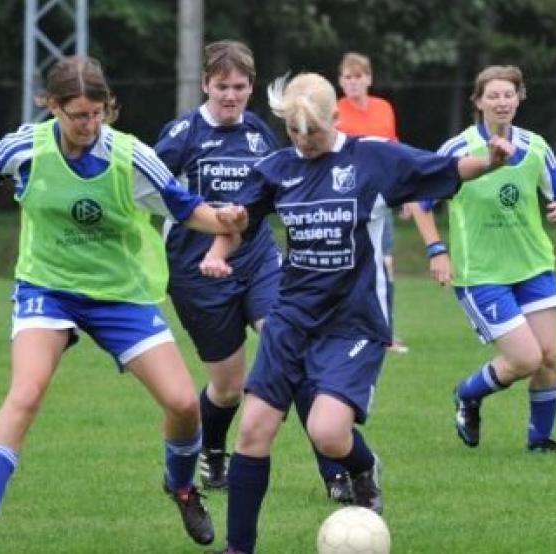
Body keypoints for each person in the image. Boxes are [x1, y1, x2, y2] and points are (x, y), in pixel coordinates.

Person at [0, 56, 249, 552]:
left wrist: (227, 220)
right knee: (25, 393)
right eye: (78, 115)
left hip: (118, 294)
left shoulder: (131, 156)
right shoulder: (28, 146)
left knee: (182, 404)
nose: (89, 125)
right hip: (47, 287)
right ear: (53, 108)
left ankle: (183, 486)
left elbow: (188, 209)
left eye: (97, 113)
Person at [210, 72, 513, 554]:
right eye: (293, 132)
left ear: (336, 118)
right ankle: (238, 547)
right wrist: (218, 251)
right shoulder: (277, 167)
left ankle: (362, 467)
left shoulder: (373, 157)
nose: (303, 142)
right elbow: (239, 218)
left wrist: (490, 163)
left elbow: (446, 169)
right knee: (252, 430)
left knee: (328, 432)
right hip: (290, 317)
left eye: (313, 132)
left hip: (353, 320)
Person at [153, 40, 354, 503]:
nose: (231, 96)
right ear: (205, 84)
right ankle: (213, 450)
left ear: (251, 87)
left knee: (294, 354)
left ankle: (335, 472)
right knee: (227, 389)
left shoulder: (261, 133)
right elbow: (150, 193)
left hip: (260, 260)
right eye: (222, 86)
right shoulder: (181, 135)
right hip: (196, 272)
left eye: (240, 86)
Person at [407, 65, 556, 453]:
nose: (502, 102)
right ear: (478, 101)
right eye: (494, 95)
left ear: (519, 98)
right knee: (526, 358)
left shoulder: (536, 146)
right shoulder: (459, 149)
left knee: (549, 357)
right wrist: (437, 250)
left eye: (509, 94)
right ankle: (468, 394)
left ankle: (539, 443)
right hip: (481, 274)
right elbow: (419, 201)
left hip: (533, 266)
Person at [335, 52, 408, 354]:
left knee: (385, 264)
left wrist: (404, 191)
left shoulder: (383, 109)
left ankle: (385, 332)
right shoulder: (335, 111)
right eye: (347, 77)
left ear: (369, 78)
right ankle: (342, 327)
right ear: (340, 81)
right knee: (346, 265)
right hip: (347, 200)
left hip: (381, 199)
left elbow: (395, 151)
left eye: (358, 76)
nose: (353, 82)